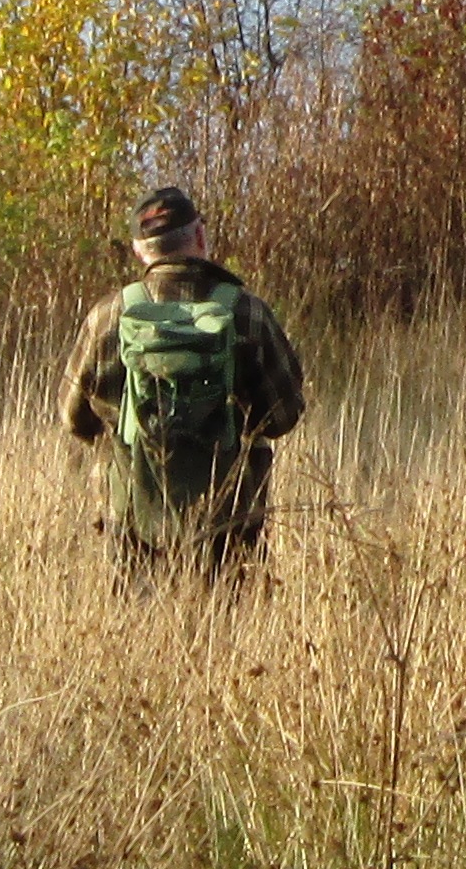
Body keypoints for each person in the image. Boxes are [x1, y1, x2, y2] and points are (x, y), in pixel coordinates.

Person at [61, 184, 307, 583]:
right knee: (230, 633)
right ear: (200, 237)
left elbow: (74, 417)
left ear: (140, 250)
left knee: (137, 631)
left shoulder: (108, 316)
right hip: (231, 518)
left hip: (133, 516)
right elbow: (284, 415)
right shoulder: (247, 312)